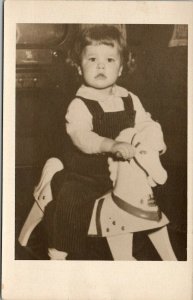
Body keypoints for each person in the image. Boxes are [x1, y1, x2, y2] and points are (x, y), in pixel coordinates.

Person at [40, 24, 167, 260]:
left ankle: (137, 244)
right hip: (88, 172)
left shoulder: (129, 98)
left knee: (148, 197)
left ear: (121, 68)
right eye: (92, 59)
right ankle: (59, 248)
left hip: (126, 170)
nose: (100, 65)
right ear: (79, 67)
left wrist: (155, 141)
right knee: (72, 199)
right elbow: (81, 136)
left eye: (109, 59)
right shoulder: (80, 104)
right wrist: (109, 145)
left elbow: (146, 123)